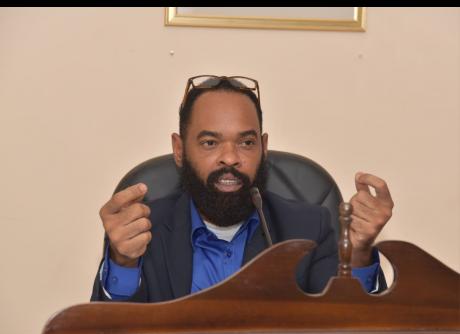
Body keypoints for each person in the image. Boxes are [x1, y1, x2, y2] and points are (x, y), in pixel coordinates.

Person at [91, 75, 394, 302]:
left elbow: (347, 324)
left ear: (263, 147)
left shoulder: (309, 228)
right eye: (210, 142)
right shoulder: (144, 230)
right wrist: (124, 262)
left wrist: (359, 253)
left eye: (246, 143)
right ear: (180, 149)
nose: (231, 158)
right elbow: (109, 331)